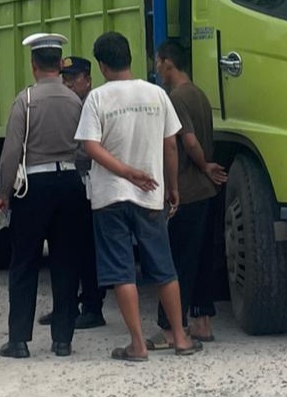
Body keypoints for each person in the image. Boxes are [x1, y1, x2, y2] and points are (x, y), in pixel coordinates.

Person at [74, 32, 200, 361]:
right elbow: (170, 144)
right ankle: (181, 339)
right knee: (163, 267)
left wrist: (125, 172)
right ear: (129, 58)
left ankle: (138, 345)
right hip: (151, 194)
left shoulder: (97, 99)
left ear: (101, 65)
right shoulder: (157, 94)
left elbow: (90, 146)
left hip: (110, 197)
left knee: (121, 270)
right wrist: (172, 186)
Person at [0, 33, 89, 359]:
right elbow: (86, 148)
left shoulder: (26, 100)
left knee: (24, 262)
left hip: (34, 188)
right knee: (66, 262)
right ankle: (63, 339)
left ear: (34, 65)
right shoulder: (75, 101)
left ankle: (19, 340)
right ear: (58, 66)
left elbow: (11, 153)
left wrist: (3, 192)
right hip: (71, 185)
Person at [147, 40, 227, 349]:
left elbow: (189, 141)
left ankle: (170, 327)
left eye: (158, 62)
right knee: (203, 259)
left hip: (189, 191)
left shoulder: (176, 99)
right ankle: (202, 322)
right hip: (206, 193)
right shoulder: (200, 95)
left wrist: (203, 164)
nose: (156, 69)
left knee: (176, 262)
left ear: (168, 63)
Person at [38, 55, 106, 330]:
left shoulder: (92, 104)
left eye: (73, 78)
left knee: (87, 249)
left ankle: (92, 306)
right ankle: (65, 307)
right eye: (64, 78)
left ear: (87, 80)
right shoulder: (68, 104)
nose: (67, 83)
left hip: (90, 182)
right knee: (66, 250)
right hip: (71, 182)